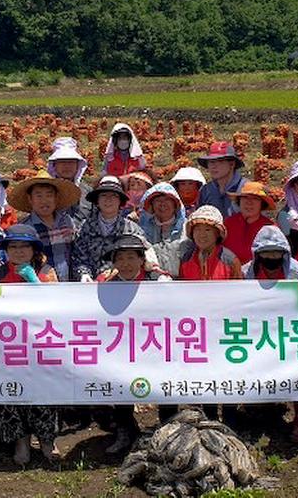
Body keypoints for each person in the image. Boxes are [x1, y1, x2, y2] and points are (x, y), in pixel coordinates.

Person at [0, 225, 61, 465]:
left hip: (40, 342)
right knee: (11, 392)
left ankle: (47, 439)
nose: (18, 251)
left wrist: (34, 282)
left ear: (33, 249)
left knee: (44, 392)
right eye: (13, 246)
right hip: (8, 344)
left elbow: (58, 306)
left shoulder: (46, 271)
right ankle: (20, 441)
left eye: (24, 246)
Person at [96, 234, 169, 455]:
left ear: (141, 259)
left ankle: (168, 430)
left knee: (166, 387)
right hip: (123, 347)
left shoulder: (159, 281)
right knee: (119, 385)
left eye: (131, 257)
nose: (125, 264)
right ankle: (126, 432)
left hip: (157, 345)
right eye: (120, 259)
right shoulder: (108, 286)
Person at [72, 176, 149, 282]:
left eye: (114, 196)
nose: (108, 200)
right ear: (97, 201)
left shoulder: (133, 230)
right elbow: (79, 258)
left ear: (120, 201)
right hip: (90, 288)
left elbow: (143, 260)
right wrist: (84, 274)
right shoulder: (84, 228)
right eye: (103, 195)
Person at [11, 170, 82, 281]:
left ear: (56, 198)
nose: (44, 201)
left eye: (49, 195)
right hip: (39, 286)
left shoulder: (67, 221)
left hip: (69, 284)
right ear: (30, 199)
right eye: (38, 196)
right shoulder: (25, 227)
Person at [178, 205, 243, 281]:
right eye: (198, 230)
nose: (202, 235)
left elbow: (237, 290)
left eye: (207, 230)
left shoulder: (230, 261)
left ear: (217, 233)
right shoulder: (186, 259)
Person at [139, 182, 187, 277]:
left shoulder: (188, 228)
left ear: (175, 204)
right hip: (150, 286)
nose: (162, 204)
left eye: (167, 200)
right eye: (157, 200)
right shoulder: (141, 230)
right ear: (151, 205)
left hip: (182, 285)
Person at [224, 181, 277, 264]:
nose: (249, 202)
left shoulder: (270, 229)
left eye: (255, 198)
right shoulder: (228, 224)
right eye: (245, 197)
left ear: (262, 204)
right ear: (239, 201)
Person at [47, 137, 93, 223]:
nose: (67, 166)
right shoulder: (45, 191)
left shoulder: (87, 191)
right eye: (62, 162)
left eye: (71, 162)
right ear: (54, 165)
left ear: (77, 165)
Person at [196, 142, 246, 217]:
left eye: (220, 161)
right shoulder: (206, 190)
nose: (213, 166)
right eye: (211, 162)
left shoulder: (246, 189)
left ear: (232, 164)